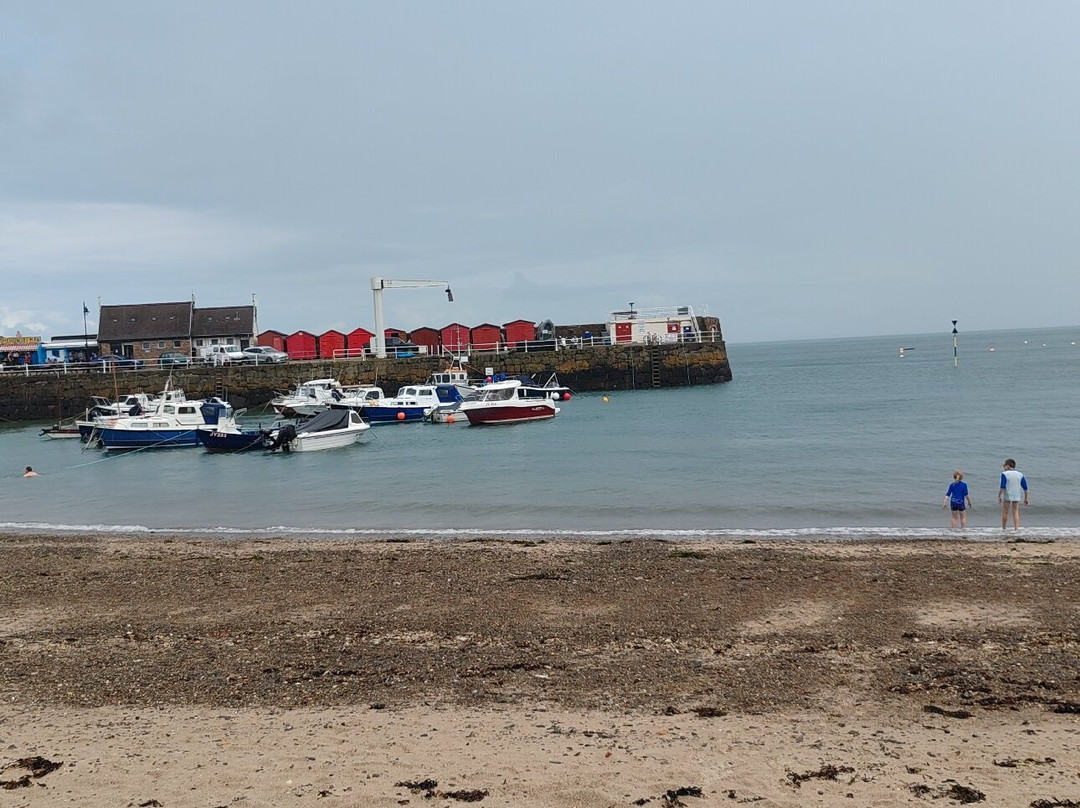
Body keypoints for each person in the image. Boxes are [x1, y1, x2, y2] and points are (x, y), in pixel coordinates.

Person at [998, 459, 1029, 530]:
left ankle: (1004, 528)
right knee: (1015, 512)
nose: (1003, 467)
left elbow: (1002, 487)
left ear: (1008, 466)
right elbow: (1025, 487)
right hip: (1016, 495)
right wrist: (1026, 498)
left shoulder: (1004, 474)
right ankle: (1016, 528)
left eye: (1004, 465)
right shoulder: (1020, 474)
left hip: (1007, 495)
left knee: (1005, 511)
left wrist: (999, 496)